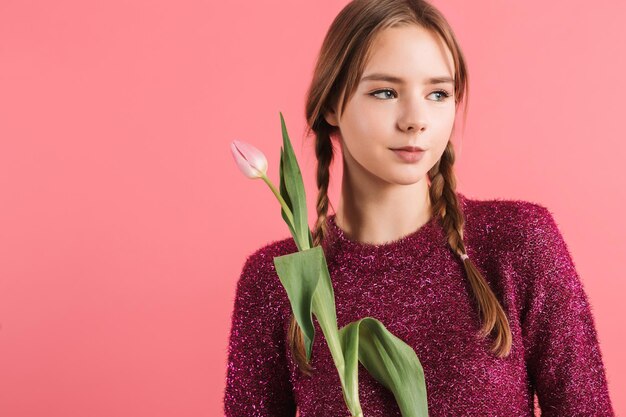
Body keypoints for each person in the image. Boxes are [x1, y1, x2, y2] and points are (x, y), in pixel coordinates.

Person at [223, 0, 615, 416]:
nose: (416, 119)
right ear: (333, 104)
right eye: (386, 92)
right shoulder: (276, 281)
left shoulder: (518, 241)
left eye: (438, 93)